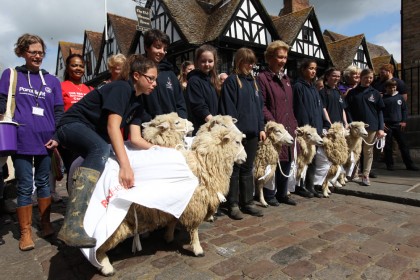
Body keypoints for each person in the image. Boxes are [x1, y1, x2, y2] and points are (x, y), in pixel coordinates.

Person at [55, 54, 157, 248]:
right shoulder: (122, 88)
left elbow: (135, 138)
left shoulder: (138, 102)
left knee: (106, 156)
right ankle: (72, 224)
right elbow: (113, 127)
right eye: (150, 78)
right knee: (100, 149)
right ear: (136, 75)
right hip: (71, 125)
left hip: (91, 133)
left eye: (155, 80)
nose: (154, 84)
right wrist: (125, 167)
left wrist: (161, 149)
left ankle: (95, 221)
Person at [0, 34, 63, 251]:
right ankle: (25, 232)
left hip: (46, 141)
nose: (37, 56)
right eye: (32, 52)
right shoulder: (11, 75)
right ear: (22, 52)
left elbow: (59, 112)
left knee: (44, 183)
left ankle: (45, 224)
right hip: (21, 140)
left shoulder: (52, 81)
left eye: (40, 52)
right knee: (25, 185)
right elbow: (1, 104)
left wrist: (56, 137)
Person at [220, 47, 266, 220]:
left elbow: (259, 109)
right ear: (239, 62)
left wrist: (261, 127)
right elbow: (228, 109)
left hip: (253, 133)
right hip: (238, 135)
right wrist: (235, 132)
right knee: (235, 170)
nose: (250, 65)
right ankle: (233, 203)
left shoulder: (253, 83)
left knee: (248, 169)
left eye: (252, 62)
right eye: (247, 61)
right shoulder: (232, 81)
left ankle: (247, 202)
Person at [256, 40, 298, 207]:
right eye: (279, 57)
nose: (283, 61)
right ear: (270, 58)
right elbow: (262, 104)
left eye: (285, 57)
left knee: (287, 159)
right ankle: (269, 193)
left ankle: (283, 192)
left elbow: (290, 104)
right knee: (271, 160)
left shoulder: (287, 79)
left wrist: (294, 122)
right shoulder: (262, 78)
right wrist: (272, 123)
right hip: (274, 128)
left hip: (289, 126)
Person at [52, 54, 93, 197]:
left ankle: (85, 202)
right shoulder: (60, 87)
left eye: (81, 66)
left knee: (87, 170)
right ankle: (73, 205)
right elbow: (56, 111)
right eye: (74, 65)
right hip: (69, 134)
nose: (78, 68)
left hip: (88, 134)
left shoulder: (90, 89)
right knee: (73, 170)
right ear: (68, 68)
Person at [346, 68, 385, 186]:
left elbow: (380, 112)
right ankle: (354, 173)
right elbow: (348, 110)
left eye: (371, 78)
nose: (368, 80)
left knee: (368, 151)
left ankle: (366, 175)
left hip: (372, 126)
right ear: (361, 78)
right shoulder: (352, 92)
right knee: (355, 150)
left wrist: (381, 128)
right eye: (366, 77)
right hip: (356, 128)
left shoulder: (375, 93)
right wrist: (351, 123)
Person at [292, 59, 324, 198]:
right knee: (302, 159)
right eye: (311, 68)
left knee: (313, 159)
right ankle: (300, 185)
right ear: (303, 69)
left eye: (315, 69)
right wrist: (306, 128)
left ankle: (310, 185)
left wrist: (323, 124)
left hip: (316, 130)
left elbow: (319, 108)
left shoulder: (314, 88)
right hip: (306, 131)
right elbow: (300, 109)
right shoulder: (298, 86)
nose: (313, 71)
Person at [142, 29, 187, 120]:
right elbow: (137, 104)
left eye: (165, 49)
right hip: (150, 128)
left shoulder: (170, 74)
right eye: (158, 47)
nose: (162, 51)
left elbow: (180, 103)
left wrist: (181, 121)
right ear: (147, 47)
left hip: (173, 128)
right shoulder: (139, 72)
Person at [382, 79, 419, 171]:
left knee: (404, 145)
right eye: (390, 87)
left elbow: (404, 110)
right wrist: (382, 123)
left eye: (394, 87)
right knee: (388, 146)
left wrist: (404, 121)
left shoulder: (400, 98)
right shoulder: (383, 99)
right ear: (386, 88)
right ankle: (389, 164)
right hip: (387, 125)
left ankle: (409, 164)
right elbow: (379, 112)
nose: (392, 89)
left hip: (398, 124)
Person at [187, 44, 220, 135]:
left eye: (210, 61)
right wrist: (213, 122)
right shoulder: (194, 81)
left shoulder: (214, 80)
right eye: (203, 61)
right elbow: (199, 106)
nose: (207, 64)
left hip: (214, 127)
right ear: (197, 61)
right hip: (202, 129)